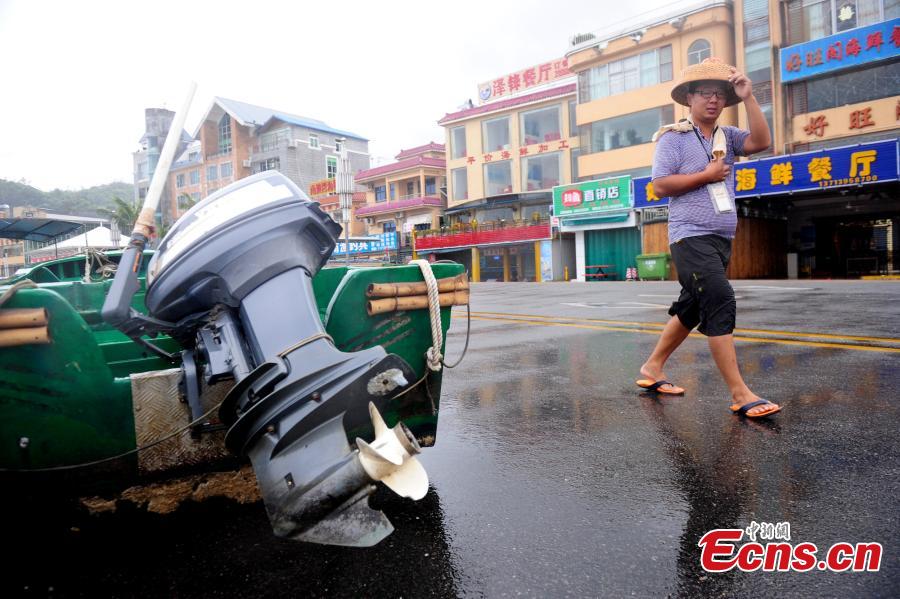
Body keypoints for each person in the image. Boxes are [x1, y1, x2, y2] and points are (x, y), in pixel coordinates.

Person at [635, 57, 780, 419]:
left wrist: (748, 98)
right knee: (718, 298)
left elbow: (762, 141)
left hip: (720, 237)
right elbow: (660, 184)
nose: (713, 100)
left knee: (691, 308)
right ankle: (740, 392)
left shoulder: (726, 136)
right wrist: (707, 174)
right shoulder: (674, 138)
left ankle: (653, 368)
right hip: (689, 237)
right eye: (704, 93)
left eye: (719, 94)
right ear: (688, 98)